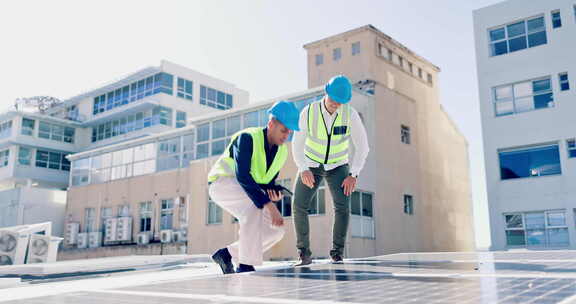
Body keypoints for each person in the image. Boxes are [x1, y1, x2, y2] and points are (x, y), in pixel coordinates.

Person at [209, 100, 300, 274]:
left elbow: (266, 182)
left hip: (248, 191)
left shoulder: (282, 152)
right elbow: (243, 175)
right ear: (271, 123)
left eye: (289, 131)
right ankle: (245, 265)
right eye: (283, 130)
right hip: (221, 183)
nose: (286, 135)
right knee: (253, 205)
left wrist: (273, 193)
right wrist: (269, 204)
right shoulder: (247, 137)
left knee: (276, 230)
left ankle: (227, 254)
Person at [292, 75, 370, 265]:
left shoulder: (349, 114)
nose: (337, 104)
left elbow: (363, 146)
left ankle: (337, 253)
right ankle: (304, 253)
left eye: (341, 102)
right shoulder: (308, 112)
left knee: (342, 207)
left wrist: (354, 174)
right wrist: (303, 169)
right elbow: (296, 144)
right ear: (326, 92)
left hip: (337, 165)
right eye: (334, 99)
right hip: (311, 164)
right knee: (299, 205)